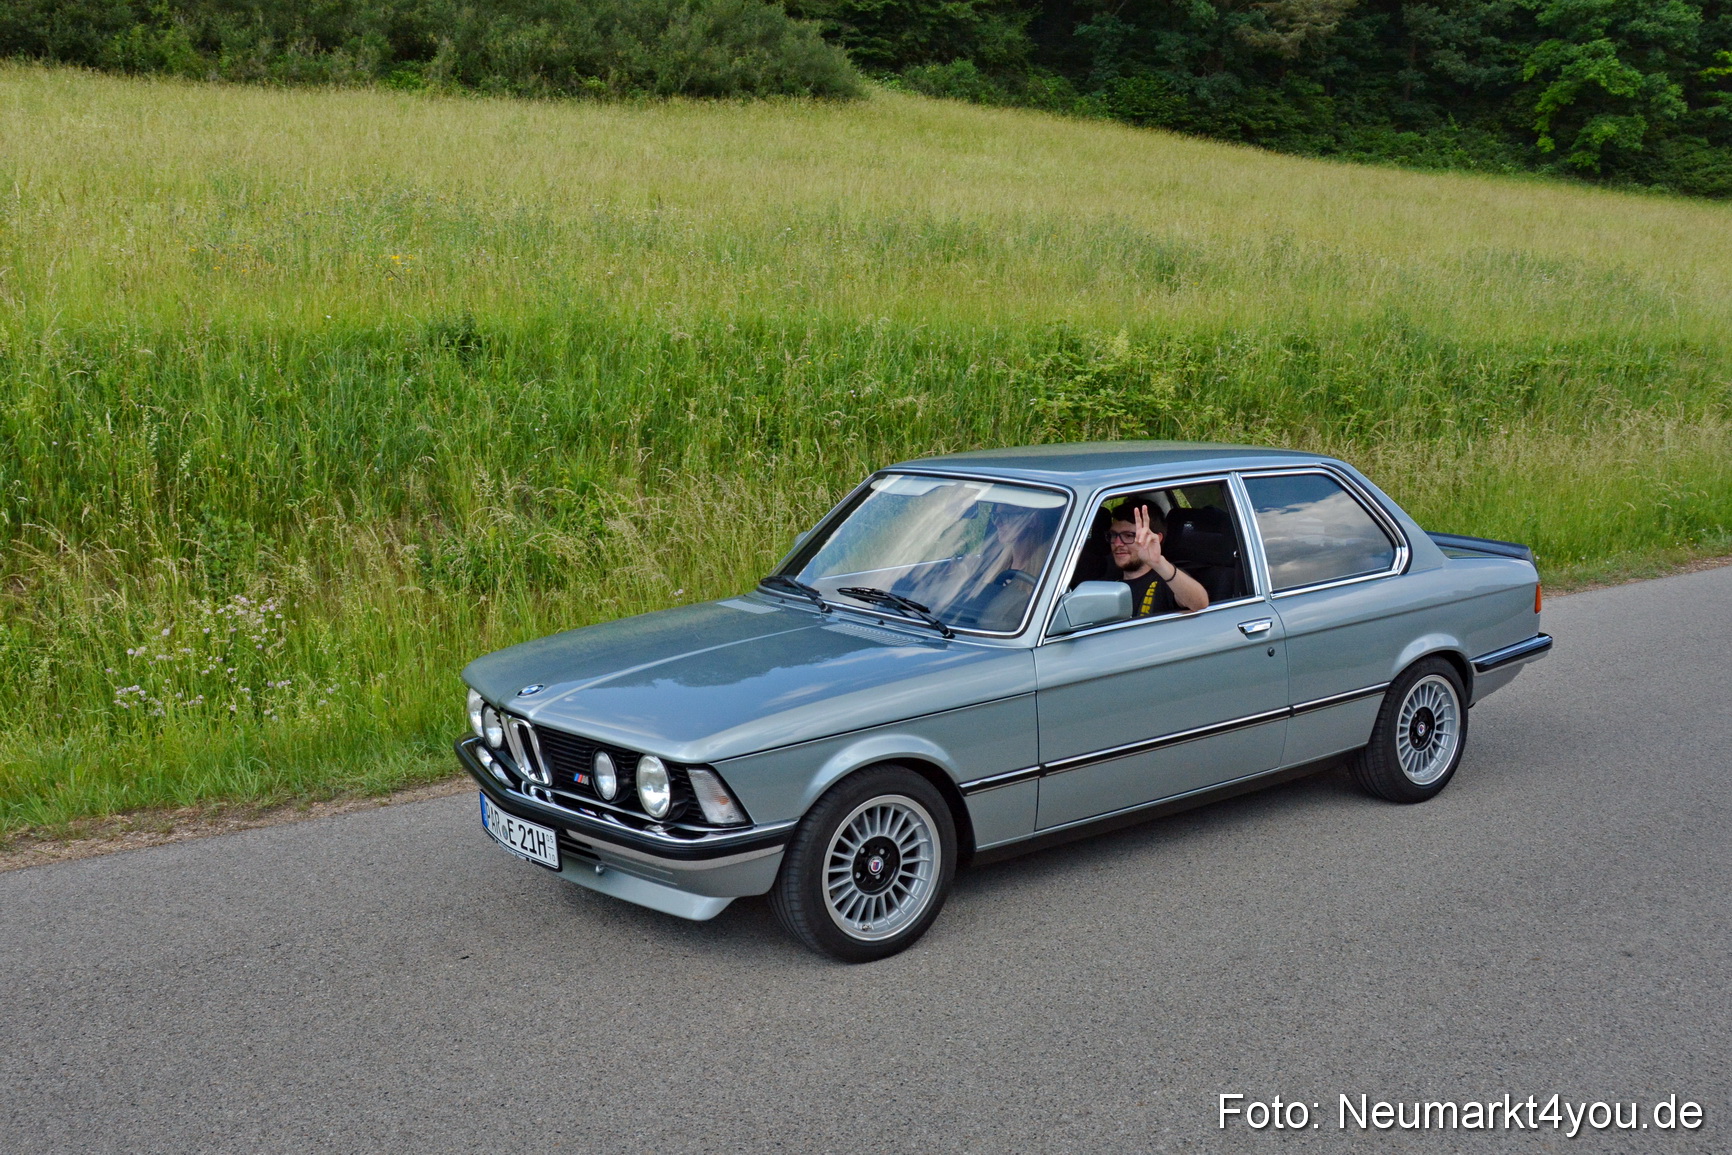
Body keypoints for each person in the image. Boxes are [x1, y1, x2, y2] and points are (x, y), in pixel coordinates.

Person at [1107, 498, 1209, 615]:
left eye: (1129, 536)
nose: (1117, 543)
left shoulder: (1166, 580)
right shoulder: (1107, 579)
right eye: (1114, 535)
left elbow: (1199, 604)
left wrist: (1158, 563)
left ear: (1156, 539)